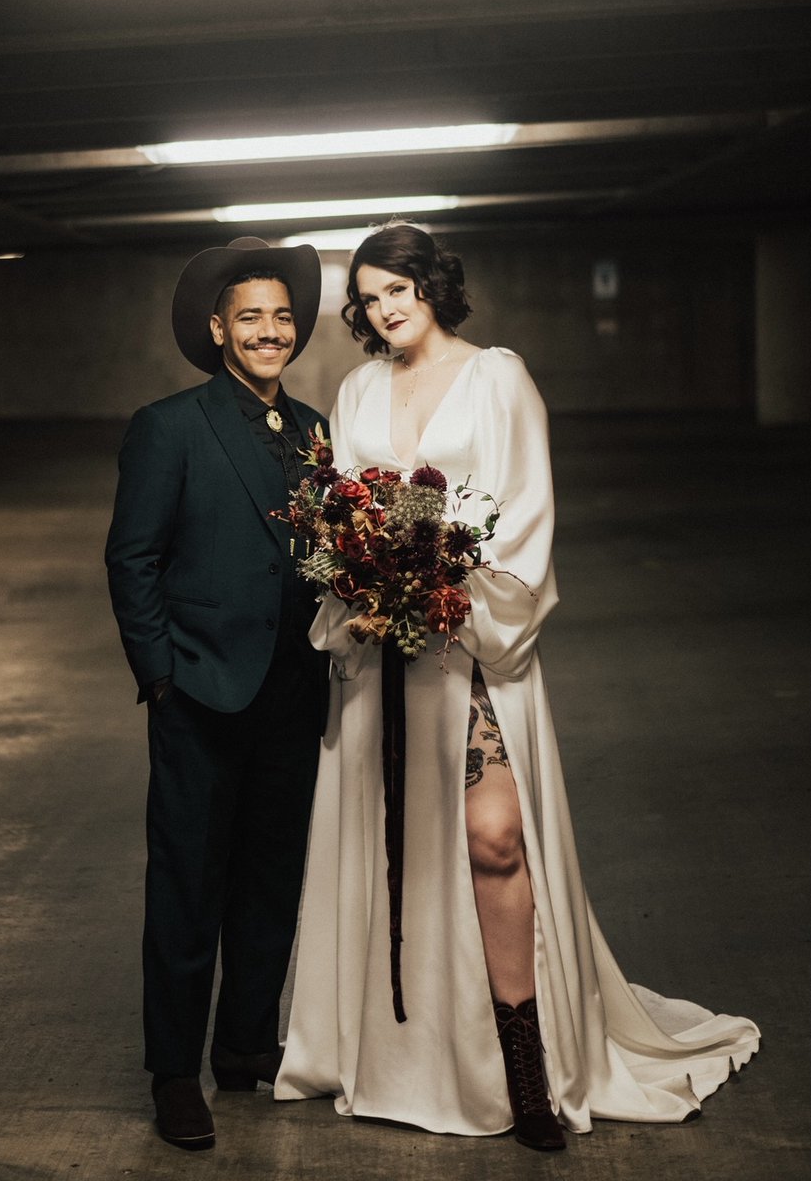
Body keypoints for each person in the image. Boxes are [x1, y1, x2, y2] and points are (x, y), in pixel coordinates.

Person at [274, 223, 759, 1150]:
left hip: (470, 644)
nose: (387, 307)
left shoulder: (499, 376)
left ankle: (525, 1076)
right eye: (370, 295)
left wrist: (450, 593)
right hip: (382, 649)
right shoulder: (357, 386)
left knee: (495, 841)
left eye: (400, 288)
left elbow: (524, 513)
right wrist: (362, 584)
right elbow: (343, 507)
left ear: (434, 287)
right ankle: (399, 1057)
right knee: (397, 852)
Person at [105, 236, 328, 1152]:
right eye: (251, 318)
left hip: (293, 691)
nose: (269, 331)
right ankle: (173, 1074)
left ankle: (244, 1050)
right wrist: (162, 676)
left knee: (271, 882)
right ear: (216, 330)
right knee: (189, 887)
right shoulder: (170, 425)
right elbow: (133, 558)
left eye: (282, 316)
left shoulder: (313, 428)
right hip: (200, 691)